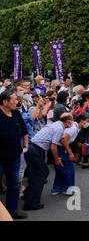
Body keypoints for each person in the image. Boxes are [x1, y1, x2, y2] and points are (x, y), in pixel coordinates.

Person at [23, 113, 73, 211]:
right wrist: (56, 159)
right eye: (72, 120)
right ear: (67, 121)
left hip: (33, 148)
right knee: (39, 176)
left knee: (43, 172)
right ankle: (31, 203)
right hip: (35, 150)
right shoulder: (59, 128)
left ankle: (28, 195)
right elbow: (53, 146)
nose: (72, 122)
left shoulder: (56, 124)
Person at [0, 91, 28, 219]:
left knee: (13, 184)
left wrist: (25, 146)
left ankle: (12, 211)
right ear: (5, 102)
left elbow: (24, 130)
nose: (17, 102)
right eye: (14, 100)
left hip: (15, 157)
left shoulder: (16, 113)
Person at [51, 113, 88, 195]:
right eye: (86, 121)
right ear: (81, 121)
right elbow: (63, 140)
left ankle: (57, 188)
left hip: (59, 148)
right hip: (59, 147)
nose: (87, 123)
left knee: (61, 168)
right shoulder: (73, 128)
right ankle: (68, 188)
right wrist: (70, 153)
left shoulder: (76, 127)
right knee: (69, 168)